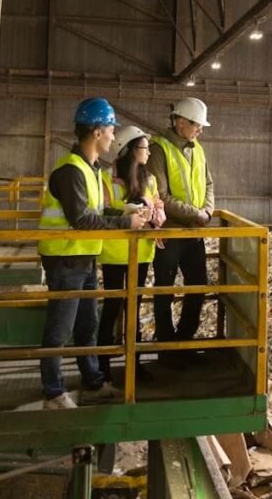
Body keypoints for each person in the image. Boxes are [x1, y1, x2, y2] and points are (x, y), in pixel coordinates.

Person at [38, 97, 147, 409]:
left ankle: (92, 382)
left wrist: (123, 208)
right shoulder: (71, 170)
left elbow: (95, 210)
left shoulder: (89, 169)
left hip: (84, 258)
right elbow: (81, 219)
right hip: (65, 258)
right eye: (111, 129)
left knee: (87, 325)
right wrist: (125, 221)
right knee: (60, 328)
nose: (114, 136)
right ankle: (53, 393)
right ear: (98, 132)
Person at [146, 97, 214, 361]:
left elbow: (209, 184)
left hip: (194, 232)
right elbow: (160, 195)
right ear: (181, 122)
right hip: (170, 232)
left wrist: (207, 210)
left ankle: (184, 341)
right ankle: (166, 347)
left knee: (198, 285)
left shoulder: (197, 147)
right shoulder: (159, 150)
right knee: (165, 288)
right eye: (197, 125)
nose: (200, 130)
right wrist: (195, 214)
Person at [98, 125, 165, 383]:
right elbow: (101, 210)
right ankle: (102, 366)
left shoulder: (149, 179)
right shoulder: (105, 177)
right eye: (144, 148)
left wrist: (154, 215)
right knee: (112, 308)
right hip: (115, 252)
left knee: (135, 308)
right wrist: (126, 213)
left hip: (142, 251)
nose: (148, 152)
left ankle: (134, 366)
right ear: (128, 150)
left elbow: (159, 206)